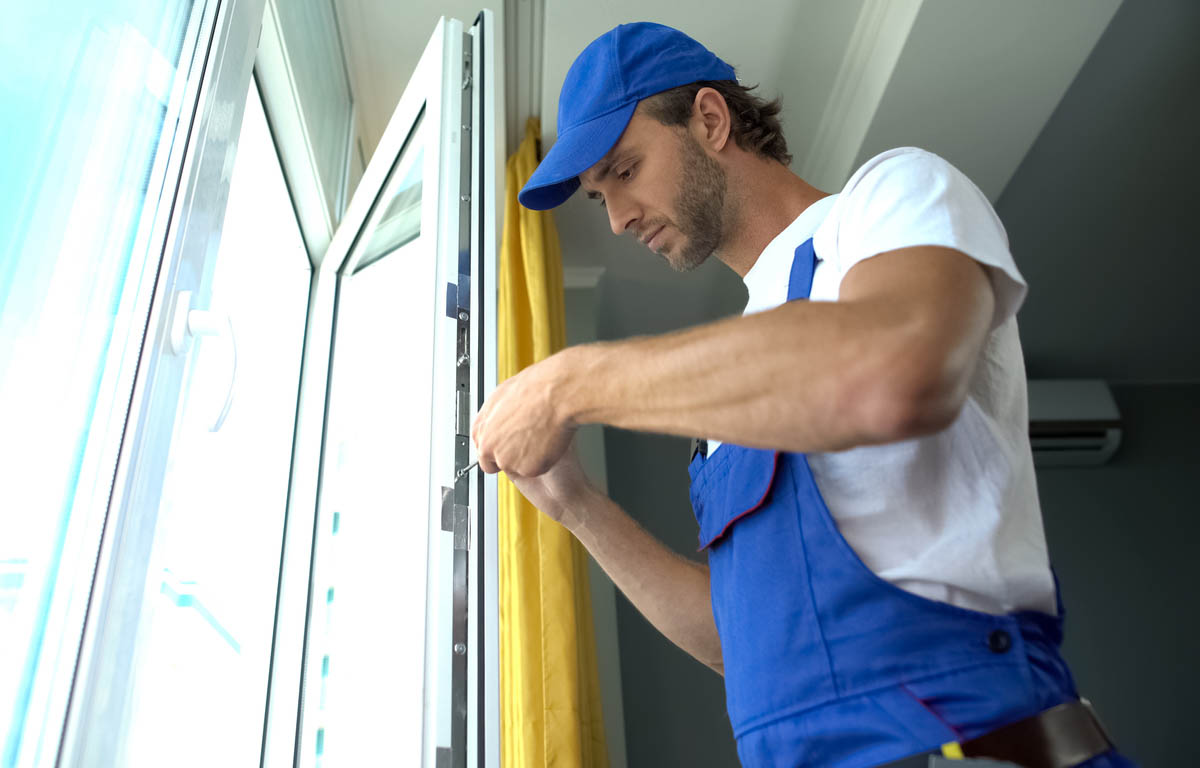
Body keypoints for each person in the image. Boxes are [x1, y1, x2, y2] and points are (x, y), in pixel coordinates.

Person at [472, 22, 1134, 768]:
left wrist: (573, 382)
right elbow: (744, 648)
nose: (619, 219)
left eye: (624, 169)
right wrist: (574, 505)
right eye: (600, 199)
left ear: (711, 120)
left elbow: (895, 373)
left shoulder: (889, 203)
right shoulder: (734, 394)